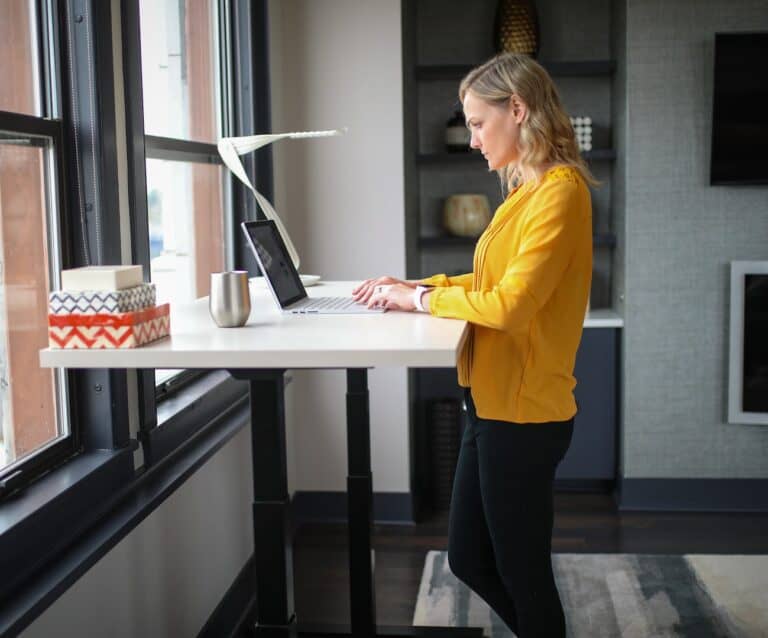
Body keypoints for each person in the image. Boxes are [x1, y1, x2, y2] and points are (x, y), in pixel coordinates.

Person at [352, 52, 596, 637]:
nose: (471, 140)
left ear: (518, 109)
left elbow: (511, 305)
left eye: (478, 123)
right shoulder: (526, 191)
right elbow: (492, 281)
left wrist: (417, 303)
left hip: (523, 414)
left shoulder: (560, 193)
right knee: (469, 557)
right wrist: (418, 287)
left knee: (522, 571)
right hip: (487, 403)